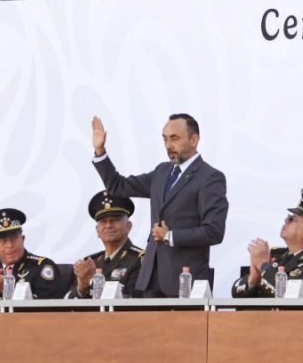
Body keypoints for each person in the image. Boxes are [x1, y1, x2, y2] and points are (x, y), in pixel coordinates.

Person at [91, 114, 229, 297]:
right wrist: (100, 151)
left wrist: (170, 236)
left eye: (175, 138)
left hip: (185, 283)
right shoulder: (162, 172)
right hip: (150, 281)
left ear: (194, 139)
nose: (168, 145)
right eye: (165, 138)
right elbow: (118, 186)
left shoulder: (210, 177)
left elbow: (214, 231)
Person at [232, 189, 303, 298]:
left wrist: (263, 267)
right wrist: (252, 279)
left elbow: (296, 298)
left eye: (292, 219)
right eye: (288, 217)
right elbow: (235, 293)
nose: (286, 221)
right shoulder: (278, 256)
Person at [0, 208, 69, 300]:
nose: (9, 245)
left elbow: (46, 308)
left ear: (23, 239)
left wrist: (6, 289)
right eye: (3, 241)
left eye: (14, 238)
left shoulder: (42, 267)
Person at [70, 192, 146, 299]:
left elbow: (134, 298)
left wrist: (95, 284)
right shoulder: (90, 262)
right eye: (103, 221)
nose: (108, 225)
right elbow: (70, 304)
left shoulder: (141, 259)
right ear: (97, 230)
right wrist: (82, 286)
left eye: (114, 220)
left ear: (128, 226)